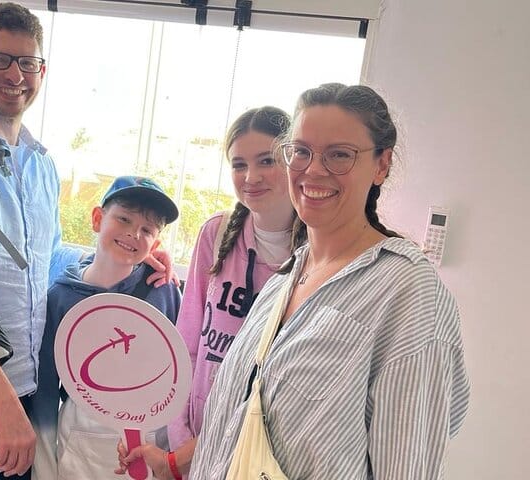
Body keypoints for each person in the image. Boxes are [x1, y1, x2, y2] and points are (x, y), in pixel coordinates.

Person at [0, 4, 172, 479]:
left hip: (23, 394)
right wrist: (2, 402)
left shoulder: (40, 164)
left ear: (41, 71)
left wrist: (128, 254)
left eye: (28, 62)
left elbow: (43, 261)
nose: (15, 75)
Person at [188, 83, 471, 479]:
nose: (314, 170)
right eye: (302, 152)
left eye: (340, 154)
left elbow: (407, 465)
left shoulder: (407, 292)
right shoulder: (285, 279)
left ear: (382, 164)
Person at [116, 106, 302, 479]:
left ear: (292, 160)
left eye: (266, 161)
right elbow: (187, 343)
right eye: (238, 164)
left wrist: (188, 455)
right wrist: (180, 438)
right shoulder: (216, 234)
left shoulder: (316, 253)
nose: (251, 176)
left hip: (262, 448)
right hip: (192, 438)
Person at [30, 175, 183, 480]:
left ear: (156, 243)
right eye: (124, 219)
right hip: (78, 449)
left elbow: (181, 374)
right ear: (98, 219)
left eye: (147, 230)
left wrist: (173, 456)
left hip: (149, 448)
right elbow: (45, 390)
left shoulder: (163, 290)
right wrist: (44, 469)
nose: (133, 234)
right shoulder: (60, 297)